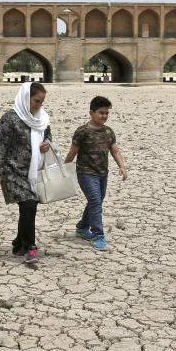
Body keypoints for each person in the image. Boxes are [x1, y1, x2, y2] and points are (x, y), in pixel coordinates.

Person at [0, 82, 52, 264]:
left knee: (28, 207)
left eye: (41, 102)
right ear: (26, 98)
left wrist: (47, 142)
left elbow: (48, 135)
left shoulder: (42, 118)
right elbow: (1, 147)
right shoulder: (10, 119)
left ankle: (18, 244)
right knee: (29, 205)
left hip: (33, 170)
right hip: (12, 171)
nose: (39, 105)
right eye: (36, 101)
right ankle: (30, 247)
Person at [64, 95, 127, 251]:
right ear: (91, 113)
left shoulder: (108, 132)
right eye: (101, 113)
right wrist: (64, 170)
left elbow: (115, 150)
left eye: (106, 113)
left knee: (96, 201)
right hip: (85, 173)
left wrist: (122, 166)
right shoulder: (82, 132)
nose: (104, 116)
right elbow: (72, 153)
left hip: (102, 173)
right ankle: (98, 235)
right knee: (95, 202)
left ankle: (82, 227)